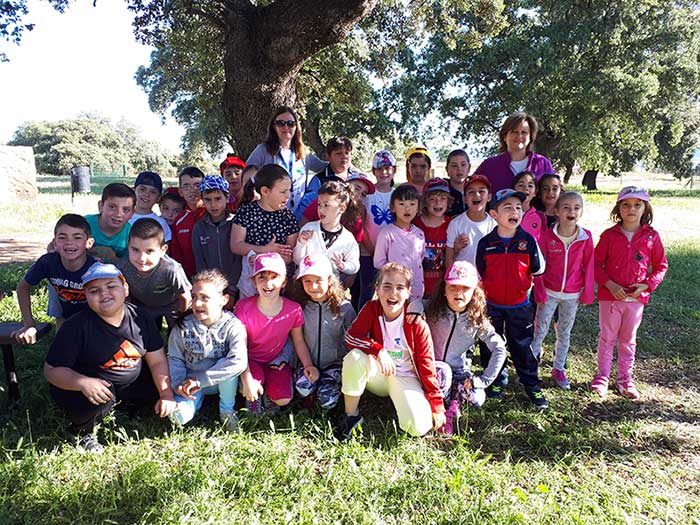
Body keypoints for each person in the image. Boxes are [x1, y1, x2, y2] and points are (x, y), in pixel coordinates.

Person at [43, 263, 176, 453]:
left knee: (165, 381)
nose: (104, 294)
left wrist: (166, 394)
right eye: (94, 290)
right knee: (100, 395)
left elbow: (157, 361)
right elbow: (51, 371)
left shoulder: (141, 317)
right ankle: (81, 432)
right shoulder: (76, 326)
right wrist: (82, 383)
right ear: (86, 297)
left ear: (125, 288)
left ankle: (127, 406)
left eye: (111, 286)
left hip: (128, 381)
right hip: (88, 387)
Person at [335, 262, 445, 440]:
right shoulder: (372, 309)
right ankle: (351, 416)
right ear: (377, 289)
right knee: (354, 358)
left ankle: (403, 401)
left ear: (409, 291)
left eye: (400, 287)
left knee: (418, 427)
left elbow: (427, 364)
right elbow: (350, 337)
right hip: (379, 374)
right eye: (387, 286)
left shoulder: (416, 323)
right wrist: (377, 350)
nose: (393, 293)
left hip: (405, 376)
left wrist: (437, 404)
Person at [591, 186, 668, 399]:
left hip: (636, 299)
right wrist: (609, 284)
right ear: (618, 208)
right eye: (626, 204)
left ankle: (625, 378)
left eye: (637, 204)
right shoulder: (609, 236)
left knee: (628, 339)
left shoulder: (651, 237)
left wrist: (648, 285)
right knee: (607, 337)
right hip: (610, 298)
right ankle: (602, 376)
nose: (631, 209)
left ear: (645, 208)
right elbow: (596, 264)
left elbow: (661, 266)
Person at [475, 189, 547, 408]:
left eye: (518, 207)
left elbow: (538, 269)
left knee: (522, 345)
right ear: (494, 214)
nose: (514, 211)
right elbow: (481, 270)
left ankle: (531, 384)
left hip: (519, 306)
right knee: (490, 345)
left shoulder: (528, 241)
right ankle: (496, 380)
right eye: (507, 208)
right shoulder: (486, 243)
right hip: (492, 306)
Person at [424, 261, 507, 434]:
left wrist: (484, 380)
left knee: (477, 398)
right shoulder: (433, 309)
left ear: (475, 292)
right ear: (444, 289)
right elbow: (416, 304)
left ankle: (452, 405)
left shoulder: (476, 320)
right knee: (442, 371)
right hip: (432, 369)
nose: (458, 292)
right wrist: (414, 311)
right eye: (453, 287)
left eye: (465, 288)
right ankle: (440, 409)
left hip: (458, 372)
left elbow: (499, 348)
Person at [234, 253, 319, 412]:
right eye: (262, 277)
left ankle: (268, 392)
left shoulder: (293, 310)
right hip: (249, 358)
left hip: (276, 358)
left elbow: (298, 341)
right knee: (250, 387)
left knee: (283, 399)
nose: (268, 283)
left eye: (274, 277)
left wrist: (308, 365)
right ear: (254, 281)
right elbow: (239, 347)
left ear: (284, 282)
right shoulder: (243, 307)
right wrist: (246, 378)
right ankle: (255, 389)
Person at [167, 269, 248, 431]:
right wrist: (178, 384)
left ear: (223, 300)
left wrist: (201, 380)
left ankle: (227, 410)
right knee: (178, 417)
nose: (197, 304)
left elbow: (238, 361)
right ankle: (197, 401)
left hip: (222, 382)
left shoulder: (233, 325)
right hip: (190, 382)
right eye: (194, 297)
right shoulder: (183, 326)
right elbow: (174, 358)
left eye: (205, 298)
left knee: (226, 365)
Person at [532, 192, 594, 389]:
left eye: (576, 207)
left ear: (581, 212)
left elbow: (589, 265)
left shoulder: (585, 237)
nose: (571, 211)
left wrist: (587, 291)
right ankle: (531, 367)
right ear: (556, 211)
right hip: (549, 292)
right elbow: (539, 266)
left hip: (572, 294)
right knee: (540, 329)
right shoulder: (547, 236)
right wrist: (539, 290)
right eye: (566, 207)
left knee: (565, 332)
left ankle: (558, 368)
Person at [12, 214, 96, 342]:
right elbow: (22, 288)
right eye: (62, 237)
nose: (69, 242)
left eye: (77, 237)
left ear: (89, 243)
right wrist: (29, 325)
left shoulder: (96, 269)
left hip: (96, 323)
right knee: (57, 358)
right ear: (54, 243)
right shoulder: (48, 262)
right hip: (67, 319)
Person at [293, 254, 356, 409]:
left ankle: (330, 387)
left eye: (318, 281)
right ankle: (310, 393)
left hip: (334, 364)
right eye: (307, 281)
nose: (313, 287)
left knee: (327, 402)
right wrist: (308, 365)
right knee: (303, 388)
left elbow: (354, 340)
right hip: (308, 362)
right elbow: (299, 340)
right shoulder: (300, 306)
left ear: (330, 280)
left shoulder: (344, 308)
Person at [230, 164, 299, 297]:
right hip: (250, 282)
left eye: (289, 190)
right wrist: (265, 250)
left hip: (277, 284)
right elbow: (235, 245)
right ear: (265, 191)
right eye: (283, 191)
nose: (288, 195)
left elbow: (290, 255)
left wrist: (263, 260)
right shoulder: (246, 212)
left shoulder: (288, 217)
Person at [246, 106, 326, 214]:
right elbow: (246, 174)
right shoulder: (263, 150)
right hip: (270, 215)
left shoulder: (304, 154)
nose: (286, 127)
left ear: (296, 127)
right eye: (281, 123)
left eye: (290, 123)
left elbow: (327, 167)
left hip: (297, 215)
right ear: (274, 127)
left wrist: (349, 166)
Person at [118, 218, 191, 327]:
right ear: (128, 245)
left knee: (178, 333)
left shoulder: (171, 269)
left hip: (172, 307)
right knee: (147, 339)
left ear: (163, 250)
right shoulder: (122, 267)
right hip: (142, 306)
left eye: (149, 251)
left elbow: (185, 296)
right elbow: (124, 296)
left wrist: (181, 317)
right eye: (135, 250)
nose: (142, 258)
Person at [473, 112, 554, 194]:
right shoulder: (489, 166)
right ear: (504, 136)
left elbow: (554, 195)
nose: (519, 136)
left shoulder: (543, 164)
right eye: (514, 132)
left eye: (524, 132)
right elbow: (471, 190)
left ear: (530, 137)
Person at [294, 181, 360, 279]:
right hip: (305, 284)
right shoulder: (309, 228)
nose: (321, 209)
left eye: (326, 205)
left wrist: (343, 266)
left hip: (329, 287)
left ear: (342, 208)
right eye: (319, 204)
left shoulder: (347, 238)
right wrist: (301, 244)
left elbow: (354, 265)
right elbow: (297, 259)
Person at [373, 184, 425, 302]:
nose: (407, 209)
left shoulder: (419, 234)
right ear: (393, 207)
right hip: (394, 293)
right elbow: (379, 262)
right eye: (402, 204)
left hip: (415, 290)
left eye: (412, 204)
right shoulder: (387, 234)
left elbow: (420, 259)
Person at [192, 175, 240, 298]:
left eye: (218, 198)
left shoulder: (236, 223)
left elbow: (239, 259)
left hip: (237, 286)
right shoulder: (199, 228)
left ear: (227, 198)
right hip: (211, 289)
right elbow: (200, 261)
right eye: (208, 199)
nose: (213, 204)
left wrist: (232, 289)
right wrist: (208, 287)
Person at [361, 150, 396, 308]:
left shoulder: (397, 195)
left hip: (393, 253)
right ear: (374, 171)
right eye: (379, 169)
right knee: (367, 292)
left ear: (394, 170)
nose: (384, 173)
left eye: (388, 168)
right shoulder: (368, 195)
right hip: (368, 252)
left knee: (391, 292)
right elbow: (361, 225)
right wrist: (373, 250)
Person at [445, 175, 496, 269]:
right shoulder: (455, 224)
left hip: (487, 281)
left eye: (481, 191)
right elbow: (448, 260)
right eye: (471, 192)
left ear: (489, 197)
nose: (477, 195)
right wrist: (456, 249)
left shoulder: (495, 226)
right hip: (462, 281)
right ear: (465, 199)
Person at [295, 136, 353, 219]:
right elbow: (305, 208)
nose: (344, 157)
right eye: (338, 153)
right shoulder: (319, 180)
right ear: (328, 157)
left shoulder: (357, 178)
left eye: (347, 153)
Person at [414, 179, 452, 298]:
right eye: (432, 199)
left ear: (448, 201)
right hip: (418, 286)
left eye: (443, 199)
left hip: (441, 288)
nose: (438, 203)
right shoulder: (415, 223)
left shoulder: (451, 224)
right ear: (424, 201)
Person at [85, 182, 135, 264]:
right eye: (112, 207)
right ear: (101, 206)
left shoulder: (131, 234)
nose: (118, 214)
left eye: (126, 210)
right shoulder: (85, 224)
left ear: (132, 213)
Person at [170, 166, 206, 277]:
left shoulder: (212, 214)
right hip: (189, 278)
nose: (193, 190)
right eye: (186, 186)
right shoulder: (179, 221)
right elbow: (176, 255)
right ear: (180, 191)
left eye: (197, 185)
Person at [129, 171, 171, 242]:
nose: (146, 194)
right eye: (142, 189)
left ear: (158, 198)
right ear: (133, 191)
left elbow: (165, 249)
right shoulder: (122, 217)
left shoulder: (160, 223)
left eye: (153, 192)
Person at [512, 170, 546, 243]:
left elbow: (543, 242)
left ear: (535, 192)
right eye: (521, 185)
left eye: (530, 186)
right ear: (513, 189)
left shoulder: (540, 216)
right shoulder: (506, 213)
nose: (526, 188)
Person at [443, 149, 470, 217]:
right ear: (447, 170)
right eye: (454, 165)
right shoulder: (442, 192)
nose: (459, 169)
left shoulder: (476, 191)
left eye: (463, 165)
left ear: (469, 168)